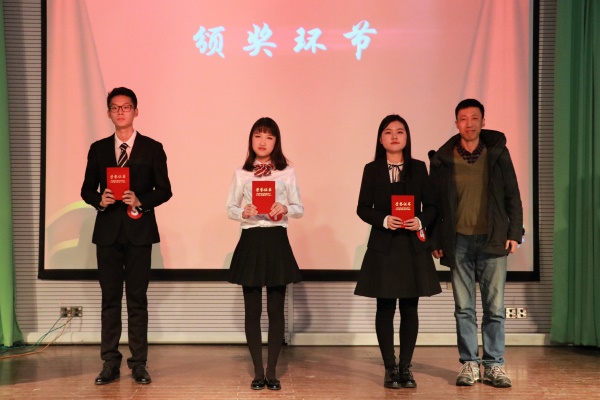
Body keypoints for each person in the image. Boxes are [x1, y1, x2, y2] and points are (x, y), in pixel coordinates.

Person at [81, 87, 172, 385]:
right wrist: (100, 200)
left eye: (126, 106)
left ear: (136, 111)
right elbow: (86, 189)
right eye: (115, 107)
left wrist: (141, 200)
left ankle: (139, 363)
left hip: (139, 232)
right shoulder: (98, 149)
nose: (121, 112)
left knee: (137, 299)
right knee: (110, 299)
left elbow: (165, 190)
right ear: (108, 113)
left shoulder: (152, 148)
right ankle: (110, 362)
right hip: (107, 232)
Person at [429, 99, 523, 388]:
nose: (468, 124)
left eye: (474, 118)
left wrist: (514, 232)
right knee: (464, 308)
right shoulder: (443, 159)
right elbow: (434, 203)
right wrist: (435, 238)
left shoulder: (498, 152)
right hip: (458, 241)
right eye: (463, 118)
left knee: (495, 308)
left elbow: (512, 194)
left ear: (483, 121)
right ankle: (469, 363)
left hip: (493, 239)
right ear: (456, 123)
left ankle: (493, 365)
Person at [355, 115, 441, 389]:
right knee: (385, 307)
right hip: (384, 245)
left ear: (407, 137)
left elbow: (432, 206)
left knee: (409, 308)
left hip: (412, 246)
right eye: (388, 132)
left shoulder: (419, 167)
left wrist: (420, 220)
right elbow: (362, 208)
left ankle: (406, 367)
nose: (394, 136)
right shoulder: (372, 169)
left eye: (400, 131)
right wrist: (383, 219)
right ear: (380, 139)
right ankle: (389, 367)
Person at [226, 117, 303, 391]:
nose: (263, 142)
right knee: (252, 310)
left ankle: (272, 371)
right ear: (251, 140)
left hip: (276, 239)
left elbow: (299, 208)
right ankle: (258, 371)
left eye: (269, 137)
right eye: (258, 136)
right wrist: (242, 212)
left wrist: (285, 208)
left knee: (275, 310)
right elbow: (230, 208)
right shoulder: (241, 173)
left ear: (276, 142)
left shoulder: (287, 172)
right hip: (251, 239)